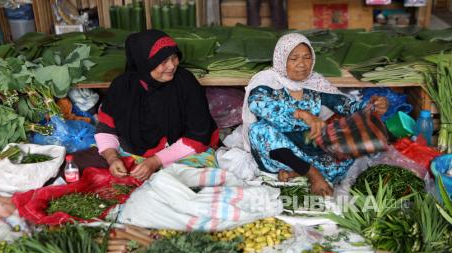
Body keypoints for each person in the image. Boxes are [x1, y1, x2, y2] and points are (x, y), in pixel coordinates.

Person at [242, 33, 388, 196]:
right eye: (294, 58)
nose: (301, 64)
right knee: (259, 130)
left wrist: (371, 107)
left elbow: (345, 104)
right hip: (278, 153)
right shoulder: (268, 82)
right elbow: (257, 104)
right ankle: (312, 175)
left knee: (352, 136)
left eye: (306, 57)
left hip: (308, 149)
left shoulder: (315, 84)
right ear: (281, 60)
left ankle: (298, 173)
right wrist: (301, 114)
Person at [74, 29, 219, 181]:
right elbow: (106, 128)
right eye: (163, 62)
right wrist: (112, 158)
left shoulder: (185, 83)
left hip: (179, 152)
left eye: (174, 57)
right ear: (144, 64)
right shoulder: (122, 86)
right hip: (132, 151)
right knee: (80, 167)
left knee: (188, 180)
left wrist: (155, 161)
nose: (172, 66)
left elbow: (197, 137)